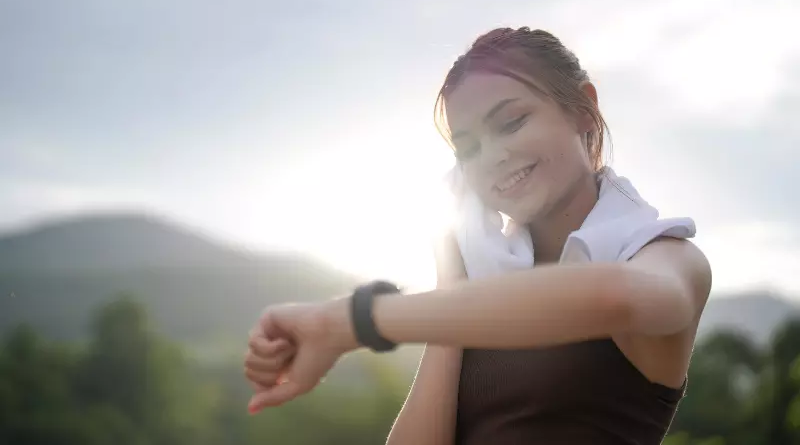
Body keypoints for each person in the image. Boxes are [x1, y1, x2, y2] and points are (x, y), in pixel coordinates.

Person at [243, 27, 712, 444]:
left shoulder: (666, 257)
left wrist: (350, 321)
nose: (492, 156)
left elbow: (621, 299)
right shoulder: (481, 287)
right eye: (468, 148)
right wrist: (452, 279)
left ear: (584, 110)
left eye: (511, 123)